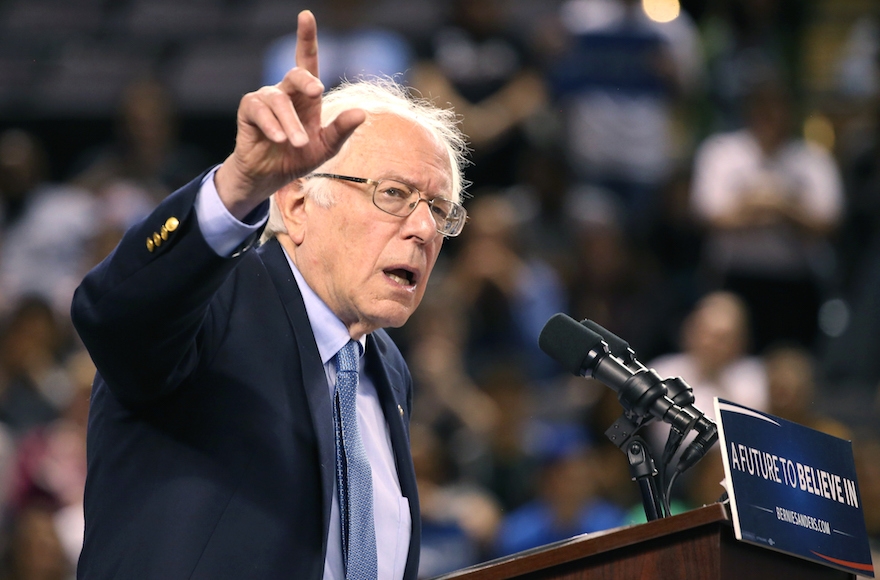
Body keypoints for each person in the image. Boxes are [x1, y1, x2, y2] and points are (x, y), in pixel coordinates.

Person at [69, 10, 469, 580]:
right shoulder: (215, 300)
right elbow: (112, 315)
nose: (424, 230)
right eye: (395, 194)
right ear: (298, 204)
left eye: (439, 210)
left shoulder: (387, 368)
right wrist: (237, 186)